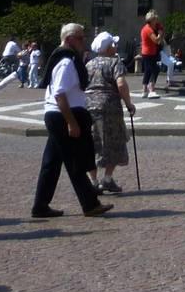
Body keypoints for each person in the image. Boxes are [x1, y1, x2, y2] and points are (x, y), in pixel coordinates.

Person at [32, 22, 111, 219]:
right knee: (74, 162)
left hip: (58, 114)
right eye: (80, 38)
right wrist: (71, 122)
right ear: (69, 39)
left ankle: (40, 206)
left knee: (51, 162)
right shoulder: (67, 61)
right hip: (62, 116)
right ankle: (90, 204)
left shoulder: (66, 59)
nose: (84, 42)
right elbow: (59, 94)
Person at [85, 32, 136, 195]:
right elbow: (121, 84)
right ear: (107, 48)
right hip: (109, 107)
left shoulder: (89, 64)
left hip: (88, 105)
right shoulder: (115, 63)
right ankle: (107, 179)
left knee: (93, 143)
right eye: (113, 44)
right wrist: (129, 104)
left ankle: (92, 181)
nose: (116, 47)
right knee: (114, 140)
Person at [139, 11, 164, 99]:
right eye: (155, 19)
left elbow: (159, 27)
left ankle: (144, 90)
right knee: (155, 69)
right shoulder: (148, 29)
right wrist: (160, 33)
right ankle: (151, 89)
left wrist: (160, 29)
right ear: (151, 20)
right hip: (148, 53)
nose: (156, 20)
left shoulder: (150, 27)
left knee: (148, 71)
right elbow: (156, 40)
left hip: (150, 52)